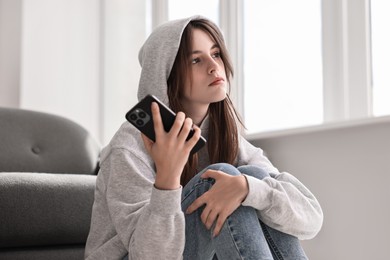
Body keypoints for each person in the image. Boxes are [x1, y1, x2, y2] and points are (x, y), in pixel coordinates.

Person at [85, 16, 323, 260]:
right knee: (218, 181)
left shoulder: (227, 137)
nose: (213, 66)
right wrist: (167, 179)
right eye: (196, 60)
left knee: (253, 180)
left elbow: (311, 220)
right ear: (166, 74)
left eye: (216, 54)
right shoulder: (130, 147)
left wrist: (249, 189)